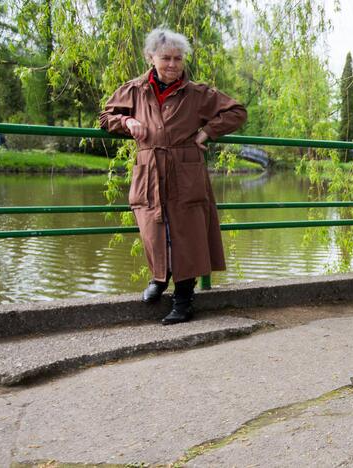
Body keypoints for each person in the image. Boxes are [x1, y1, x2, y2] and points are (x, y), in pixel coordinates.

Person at [99, 28, 247, 325]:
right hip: (149, 168)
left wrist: (207, 130)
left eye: (178, 59)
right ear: (150, 57)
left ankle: (184, 300)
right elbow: (105, 117)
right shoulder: (134, 89)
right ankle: (158, 278)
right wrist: (127, 121)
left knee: (187, 232)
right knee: (153, 227)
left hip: (185, 168)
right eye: (165, 58)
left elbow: (237, 112)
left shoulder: (197, 93)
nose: (172, 64)